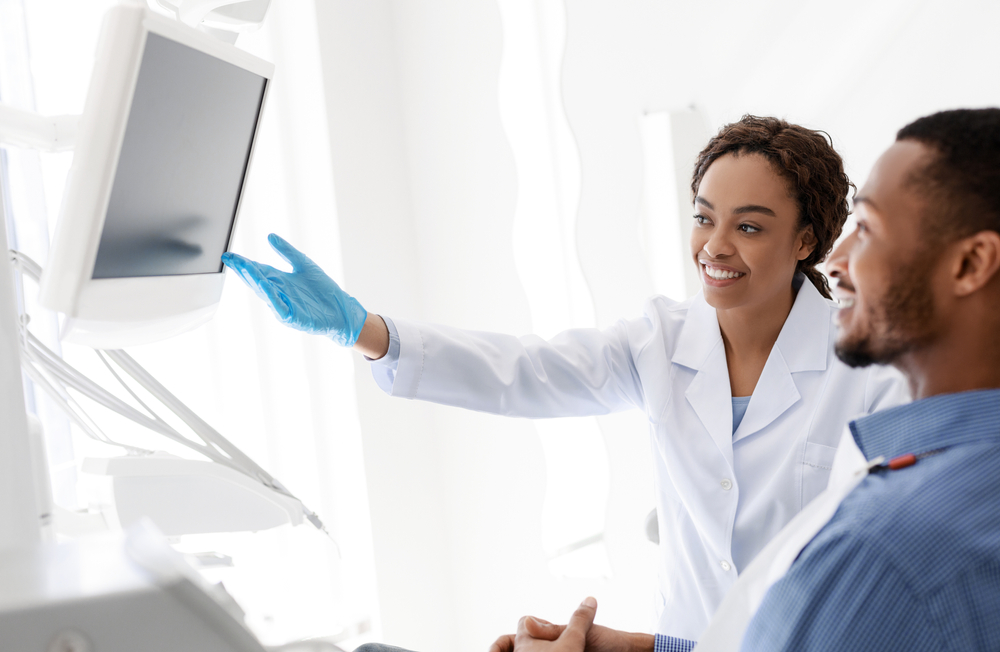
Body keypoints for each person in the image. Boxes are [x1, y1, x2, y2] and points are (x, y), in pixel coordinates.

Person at [222, 116, 907, 645]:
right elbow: (525, 372)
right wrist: (365, 329)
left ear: (807, 240)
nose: (715, 247)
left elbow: (885, 551)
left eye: (749, 226)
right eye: (703, 217)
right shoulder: (663, 340)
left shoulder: (872, 367)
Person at [513, 108, 1000, 652]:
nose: (836, 261)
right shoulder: (963, 480)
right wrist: (646, 648)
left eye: (868, 229)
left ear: (970, 264)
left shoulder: (879, 546)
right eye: (704, 217)